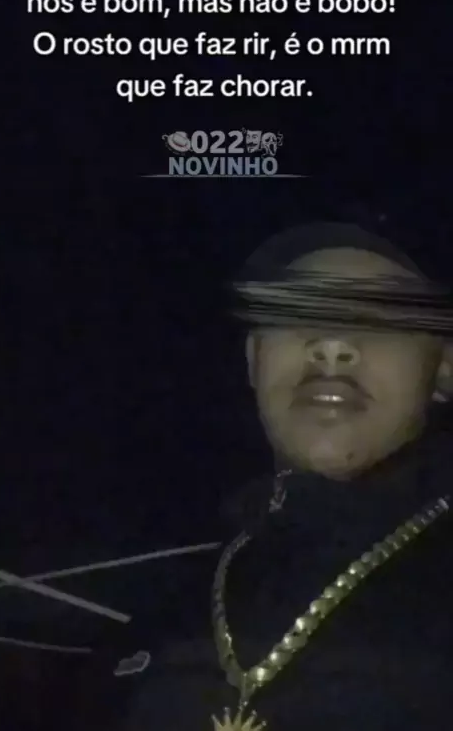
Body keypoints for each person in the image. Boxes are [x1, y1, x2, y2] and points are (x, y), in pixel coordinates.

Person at [123, 223, 453, 730]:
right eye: (296, 310)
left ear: (443, 368)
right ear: (254, 360)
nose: (332, 343)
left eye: (382, 312)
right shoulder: (156, 613)